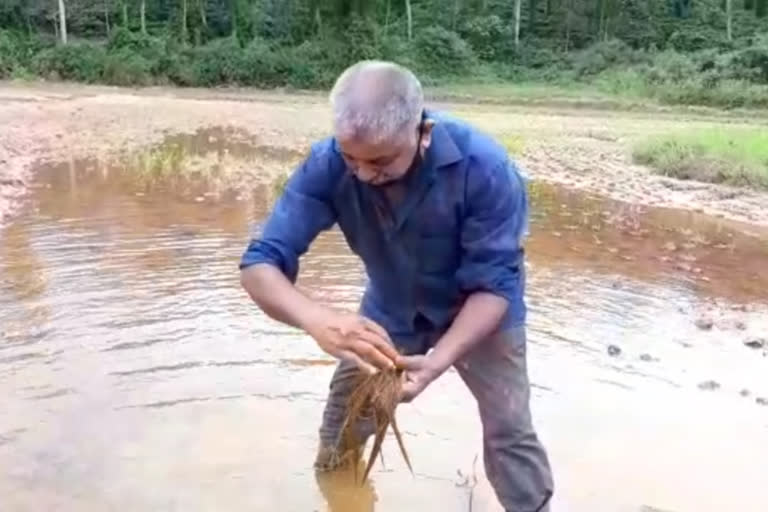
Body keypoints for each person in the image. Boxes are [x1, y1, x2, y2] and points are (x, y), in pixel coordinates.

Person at [239, 60, 554, 512]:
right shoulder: (327, 164)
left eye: (382, 163)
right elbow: (259, 264)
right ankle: (344, 499)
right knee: (342, 429)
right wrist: (318, 321)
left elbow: (495, 285)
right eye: (352, 160)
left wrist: (438, 361)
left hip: (481, 314)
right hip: (391, 310)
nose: (364, 175)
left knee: (510, 430)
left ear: (422, 132)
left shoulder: (485, 167)